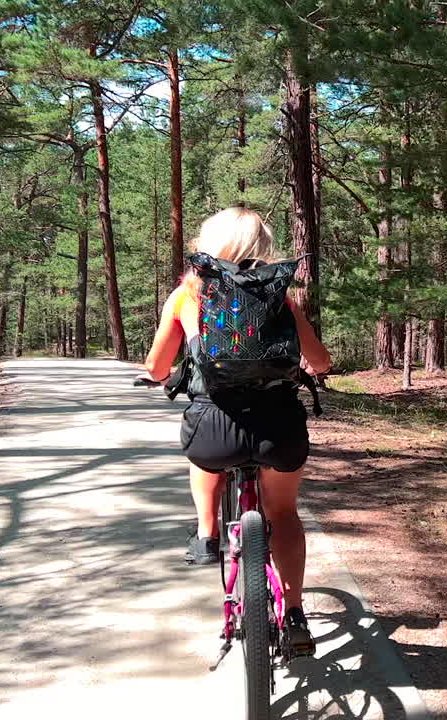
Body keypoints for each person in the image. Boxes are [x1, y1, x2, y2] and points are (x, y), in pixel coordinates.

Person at [139, 206, 331, 657]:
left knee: (203, 456)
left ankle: (206, 533)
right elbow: (320, 361)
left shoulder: (188, 295)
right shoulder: (279, 299)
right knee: (283, 515)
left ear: (206, 246)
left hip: (215, 427)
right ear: (264, 248)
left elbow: (157, 366)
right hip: (278, 427)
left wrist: (155, 375)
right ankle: (297, 616)